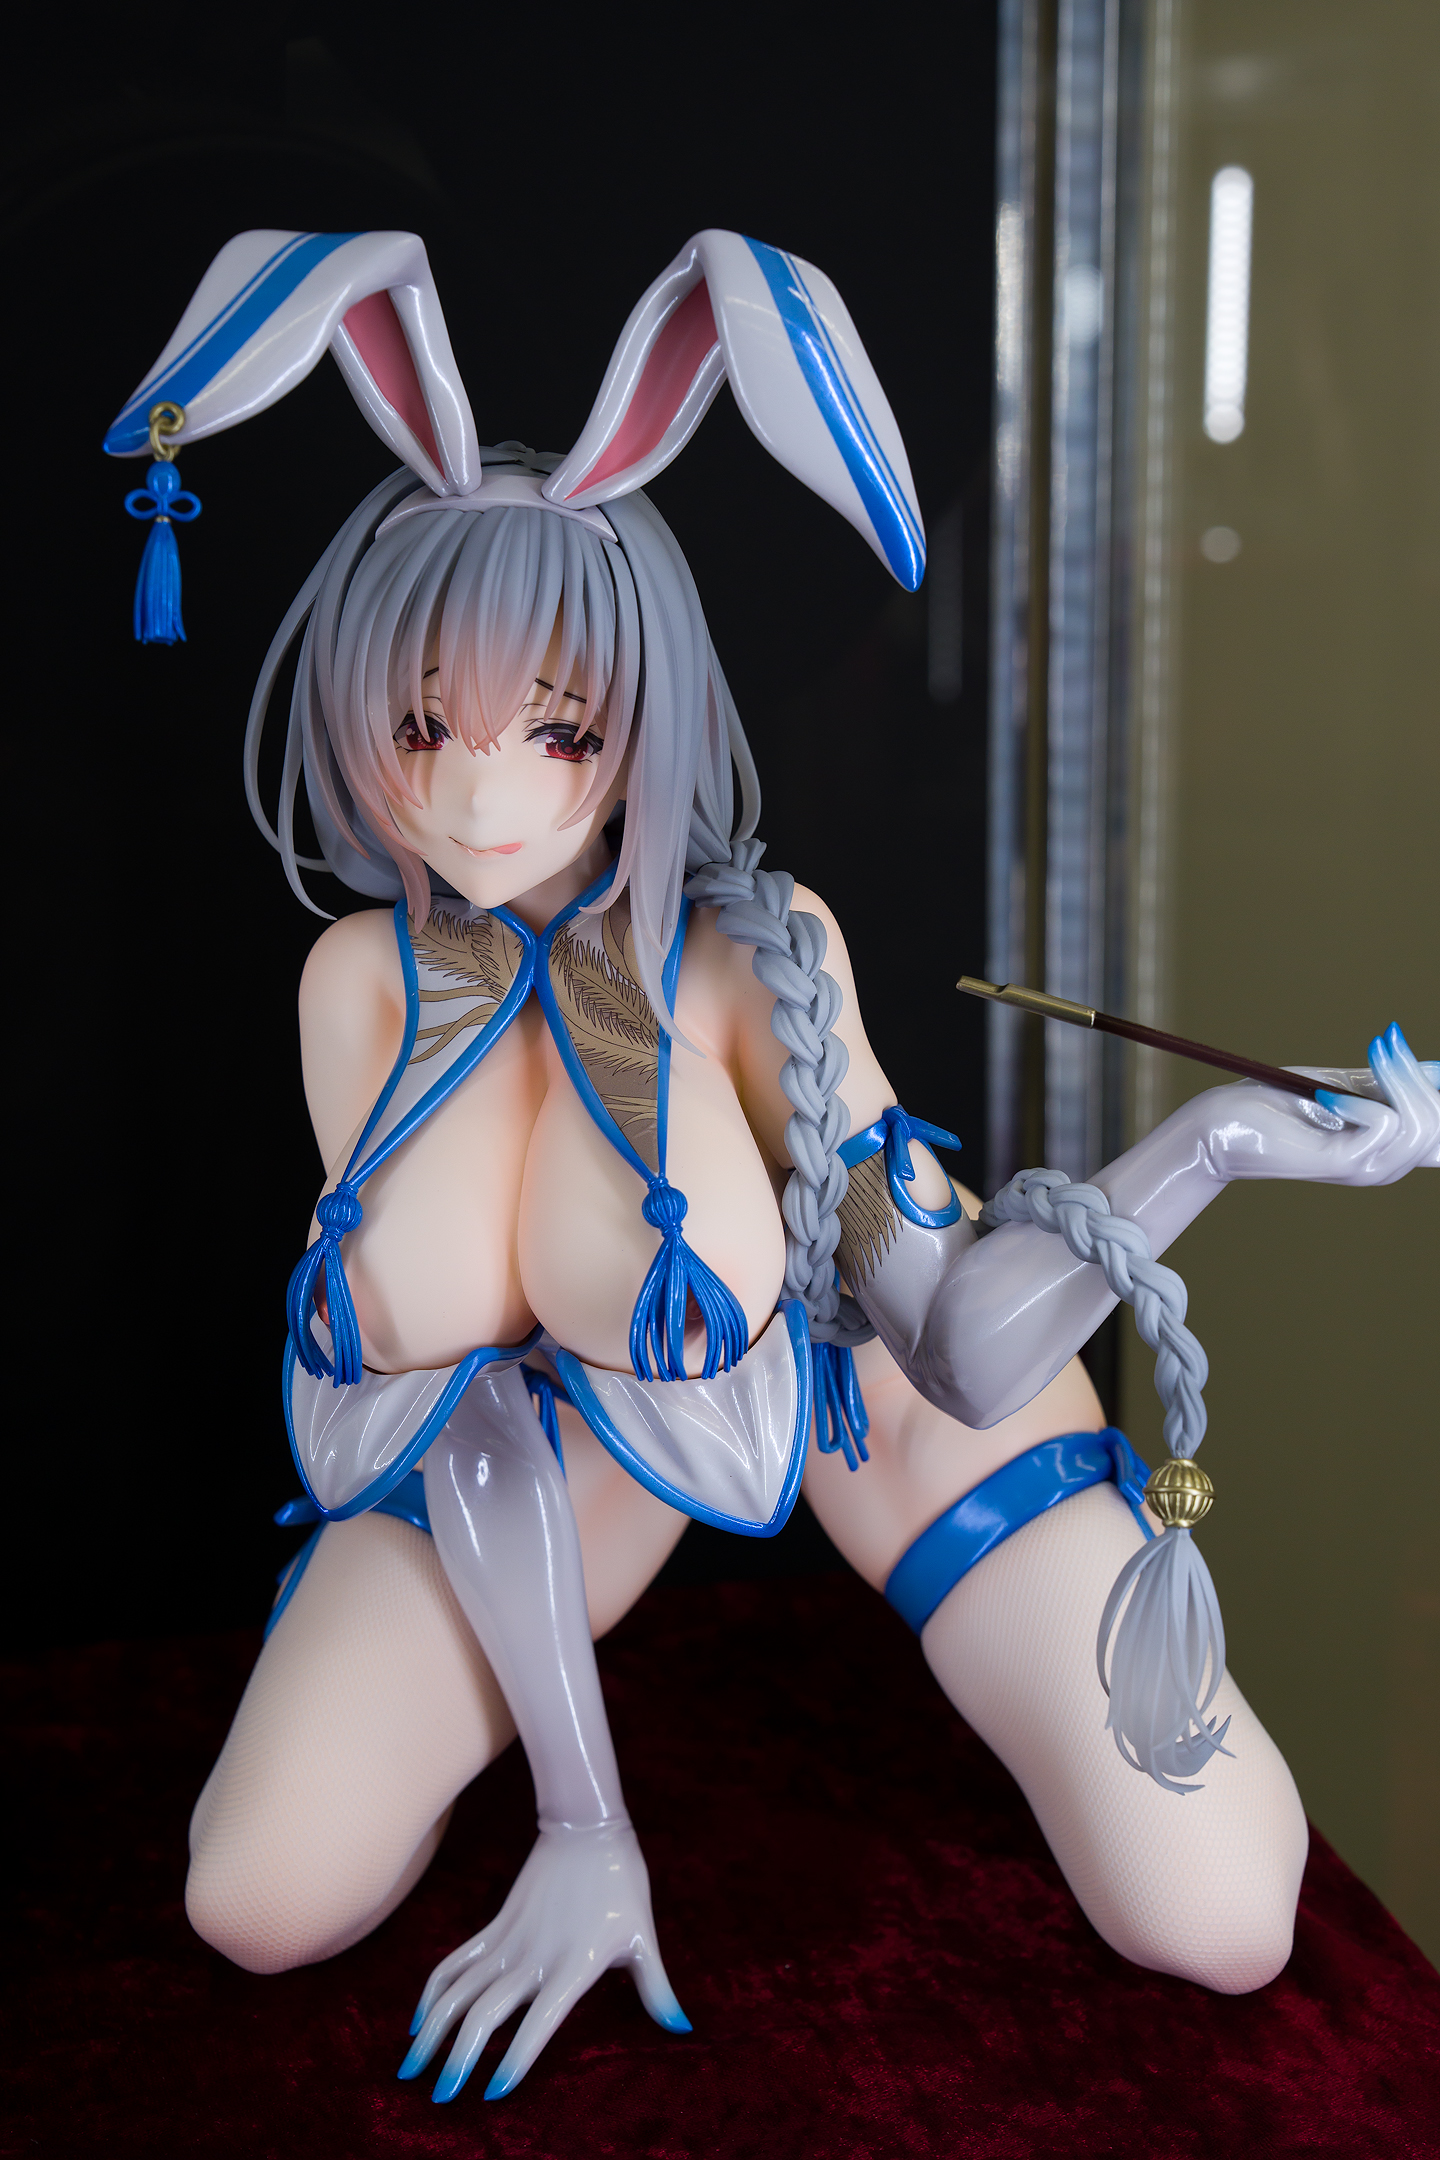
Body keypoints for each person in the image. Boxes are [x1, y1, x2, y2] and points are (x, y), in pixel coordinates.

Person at [107, 228, 1438, 2104]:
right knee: (255, 1894)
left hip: (866, 1393)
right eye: (422, 725)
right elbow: (464, 1411)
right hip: (553, 1454)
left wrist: (1223, 1137)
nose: (481, 790)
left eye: (557, 727)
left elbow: (956, 1342)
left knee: (1216, 1918)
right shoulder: (363, 986)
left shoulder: (756, 959)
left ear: (637, 720)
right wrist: (585, 1820)